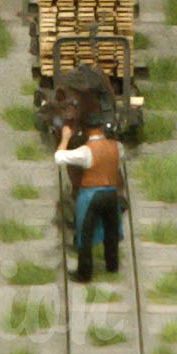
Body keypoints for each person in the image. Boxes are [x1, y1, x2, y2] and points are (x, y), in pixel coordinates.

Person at [53, 119, 121, 283]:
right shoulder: (116, 146)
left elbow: (59, 158)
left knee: (85, 233)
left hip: (91, 195)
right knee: (111, 232)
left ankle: (84, 272)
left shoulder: (86, 151)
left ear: (86, 131)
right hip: (111, 194)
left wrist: (65, 138)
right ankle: (112, 266)